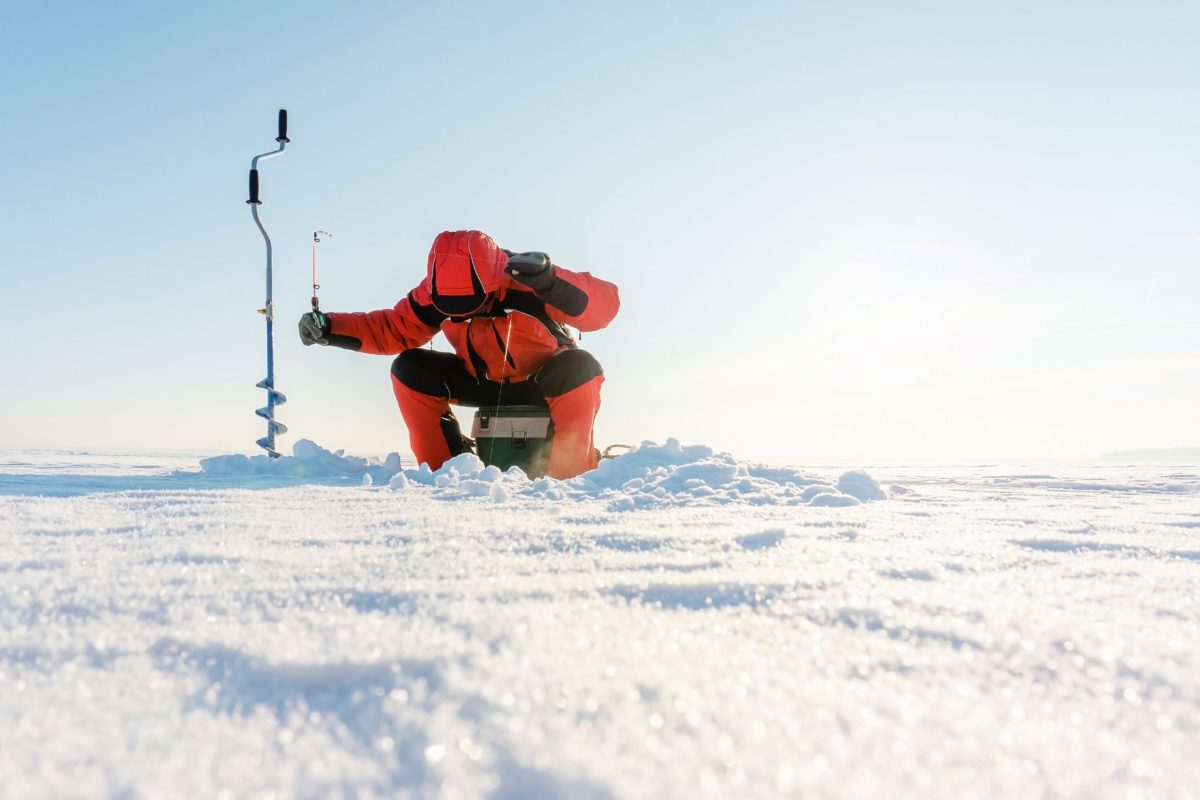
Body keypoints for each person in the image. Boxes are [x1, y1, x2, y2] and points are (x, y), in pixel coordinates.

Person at [298, 230, 620, 479]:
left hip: (545, 382)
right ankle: (445, 475)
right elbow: (391, 329)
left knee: (581, 367)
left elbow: (606, 307)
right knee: (409, 369)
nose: (464, 314)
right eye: (453, 310)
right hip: (483, 381)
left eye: (472, 305)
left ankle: (567, 477)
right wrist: (329, 328)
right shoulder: (434, 294)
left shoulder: (531, 282)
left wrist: (552, 281)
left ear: (491, 284)